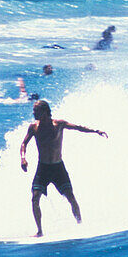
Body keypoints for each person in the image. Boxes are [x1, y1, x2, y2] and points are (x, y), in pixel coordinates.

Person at [20, 99, 107, 237]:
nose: (33, 113)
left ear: (45, 111)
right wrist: (23, 158)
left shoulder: (59, 124)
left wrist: (95, 131)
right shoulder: (34, 127)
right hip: (43, 168)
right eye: (33, 110)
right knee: (35, 198)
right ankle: (40, 231)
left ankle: (80, 225)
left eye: (36, 110)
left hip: (57, 168)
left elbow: (78, 127)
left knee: (71, 197)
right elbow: (24, 144)